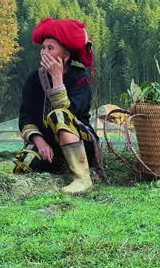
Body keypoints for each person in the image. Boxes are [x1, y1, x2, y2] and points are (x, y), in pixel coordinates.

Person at [12, 18, 103, 194]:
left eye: (50, 48)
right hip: (49, 145)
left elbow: (72, 112)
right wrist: (40, 142)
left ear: (65, 55)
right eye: (43, 48)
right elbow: (25, 117)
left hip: (80, 143)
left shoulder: (81, 78)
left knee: (58, 115)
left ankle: (82, 179)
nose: (44, 53)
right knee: (26, 162)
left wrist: (57, 79)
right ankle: (56, 171)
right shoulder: (33, 79)